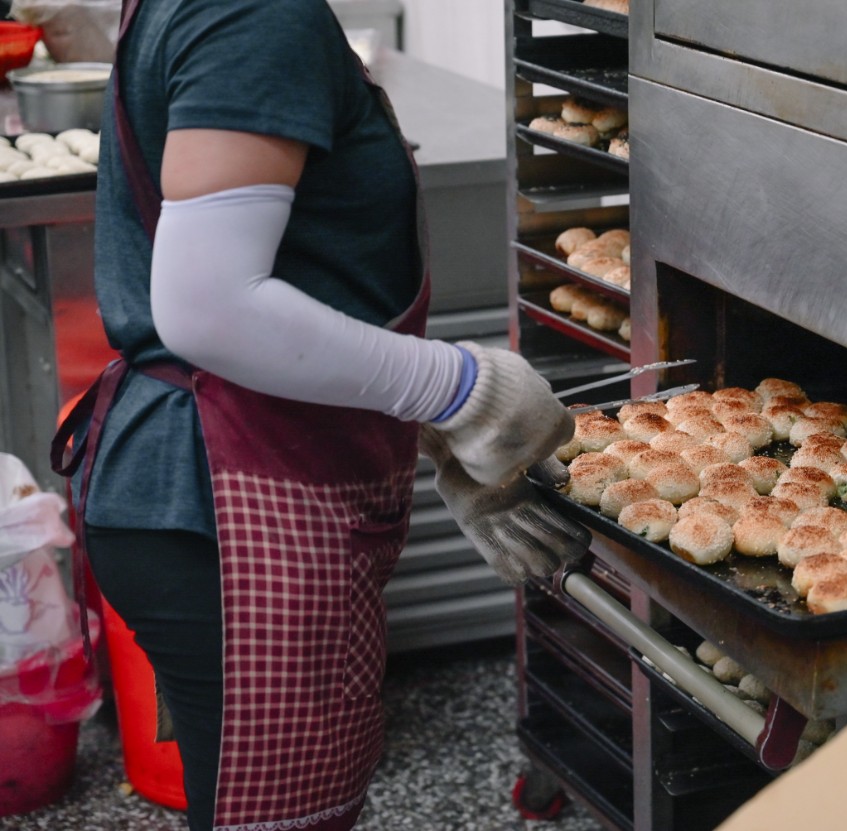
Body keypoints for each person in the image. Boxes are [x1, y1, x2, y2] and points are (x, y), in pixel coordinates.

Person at [51, 1, 591, 829]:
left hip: (220, 492)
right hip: (230, 513)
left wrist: (439, 423)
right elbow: (210, 307)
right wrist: (458, 390)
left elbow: (301, 269)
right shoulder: (253, 13)